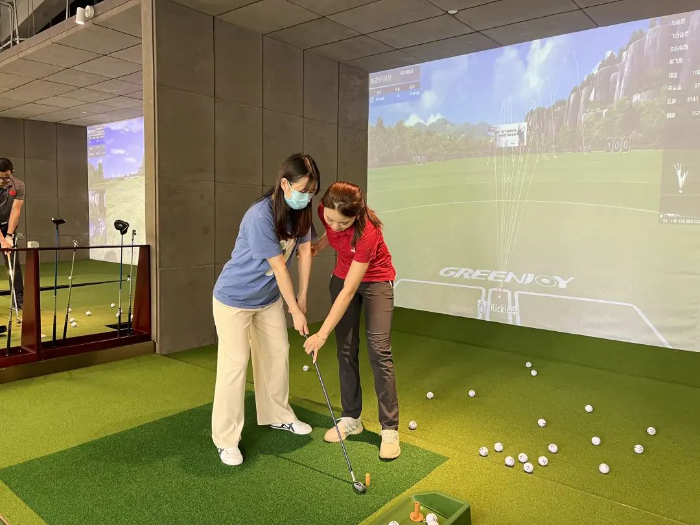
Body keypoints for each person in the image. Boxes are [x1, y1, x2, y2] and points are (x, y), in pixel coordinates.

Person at [211, 153, 320, 466]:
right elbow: (279, 266)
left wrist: (302, 298)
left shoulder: (301, 214)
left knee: (277, 352)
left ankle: (278, 415)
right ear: (284, 184)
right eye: (302, 190)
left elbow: (305, 254)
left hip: (268, 299)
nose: (306, 197)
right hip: (234, 299)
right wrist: (295, 311)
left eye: (311, 192)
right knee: (235, 364)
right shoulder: (260, 216)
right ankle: (226, 440)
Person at [303, 181, 400, 460]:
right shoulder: (325, 210)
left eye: (342, 223)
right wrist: (321, 244)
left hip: (376, 281)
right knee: (345, 350)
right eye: (330, 219)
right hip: (342, 275)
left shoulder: (368, 233)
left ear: (356, 216)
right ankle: (351, 418)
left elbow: (349, 291)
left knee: (379, 351)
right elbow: (332, 234)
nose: (335, 226)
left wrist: (321, 333)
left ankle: (389, 428)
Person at [0, 158, 25, 315]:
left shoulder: (18, 185)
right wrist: (2, 240)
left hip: (7, 225)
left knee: (13, 263)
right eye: (0, 177)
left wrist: (9, 236)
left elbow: (16, 210)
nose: (3, 181)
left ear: (12, 173)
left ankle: (18, 302)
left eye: (6, 177)